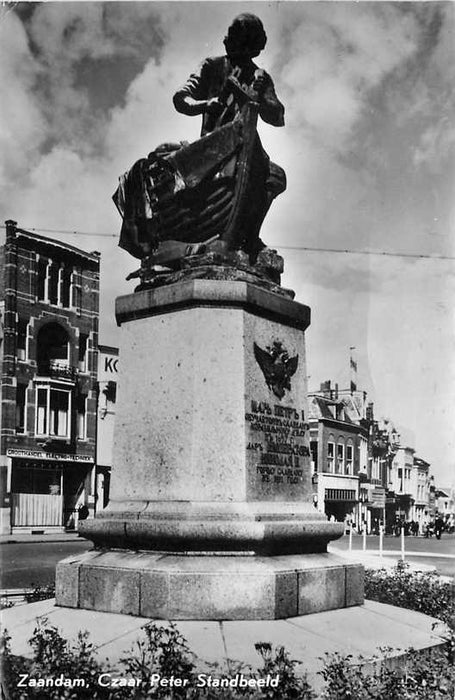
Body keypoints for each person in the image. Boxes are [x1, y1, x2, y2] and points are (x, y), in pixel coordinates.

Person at [173, 13, 286, 260]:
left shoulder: (260, 77)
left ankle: (248, 237)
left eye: (235, 37)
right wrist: (205, 104)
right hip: (213, 146)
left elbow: (278, 115)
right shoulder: (211, 66)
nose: (227, 40)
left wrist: (259, 100)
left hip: (246, 146)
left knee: (275, 176)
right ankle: (227, 239)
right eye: (229, 34)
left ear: (251, 45)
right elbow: (181, 99)